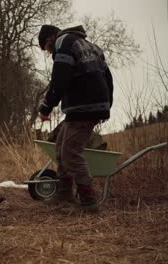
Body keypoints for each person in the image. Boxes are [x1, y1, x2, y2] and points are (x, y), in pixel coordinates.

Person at [37, 25, 114, 211]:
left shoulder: (63, 42)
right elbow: (108, 77)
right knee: (61, 147)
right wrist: (106, 105)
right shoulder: (90, 45)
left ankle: (88, 200)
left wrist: (46, 108)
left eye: (47, 50)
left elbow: (59, 80)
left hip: (84, 106)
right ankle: (64, 194)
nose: (50, 53)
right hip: (90, 105)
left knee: (71, 151)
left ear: (50, 40)